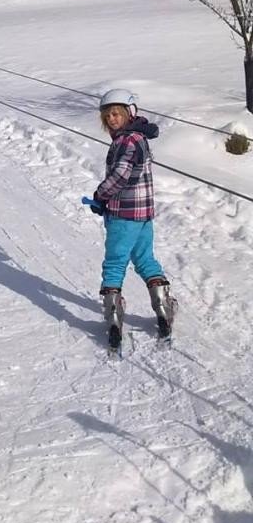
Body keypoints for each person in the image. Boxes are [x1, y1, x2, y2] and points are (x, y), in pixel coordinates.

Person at [91, 89, 177, 351]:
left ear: (130, 113)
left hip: (123, 215)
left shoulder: (127, 142)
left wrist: (100, 195)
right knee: (144, 258)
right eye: (108, 116)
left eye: (117, 114)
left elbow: (121, 176)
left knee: (115, 262)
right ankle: (162, 308)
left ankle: (114, 319)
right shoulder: (139, 138)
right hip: (143, 214)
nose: (112, 120)